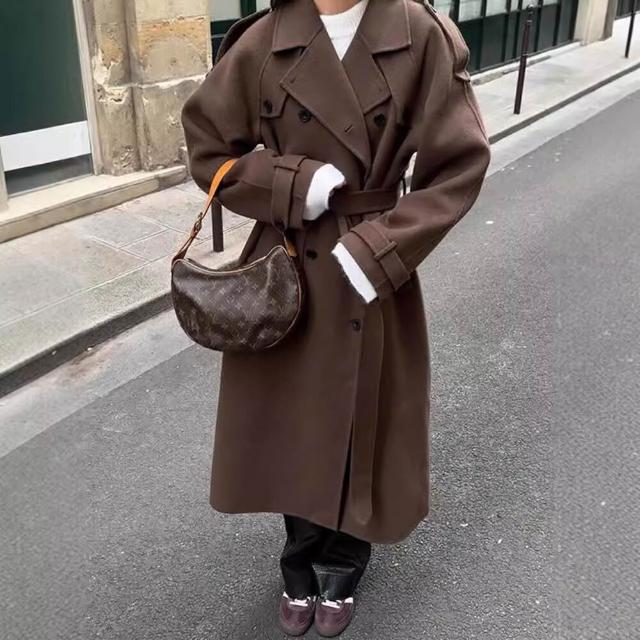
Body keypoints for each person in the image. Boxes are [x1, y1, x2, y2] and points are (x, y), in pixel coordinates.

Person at [181, 0, 491, 636]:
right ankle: (299, 556)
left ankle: (345, 561)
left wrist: (385, 247)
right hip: (288, 265)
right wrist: (291, 183)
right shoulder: (267, 37)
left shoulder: (419, 34)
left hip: (371, 265)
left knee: (361, 418)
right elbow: (207, 147)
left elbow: (459, 163)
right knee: (293, 423)